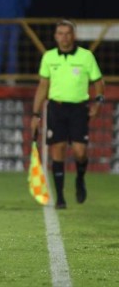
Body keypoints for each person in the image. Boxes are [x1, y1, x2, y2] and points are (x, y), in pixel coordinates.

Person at [30, 20, 104, 210]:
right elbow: (43, 86)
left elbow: (98, 82)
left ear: (74, 35)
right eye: (60, 33)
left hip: (79, 109)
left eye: (67, 33)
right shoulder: (49, 57)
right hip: (57, 108)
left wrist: (98, 102)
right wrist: (35, 114)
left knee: (80, 152)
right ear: (55, 36)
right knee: (58, 150)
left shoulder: (86, 57)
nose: (64, 37)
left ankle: (80, 178)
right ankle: (61, 197)